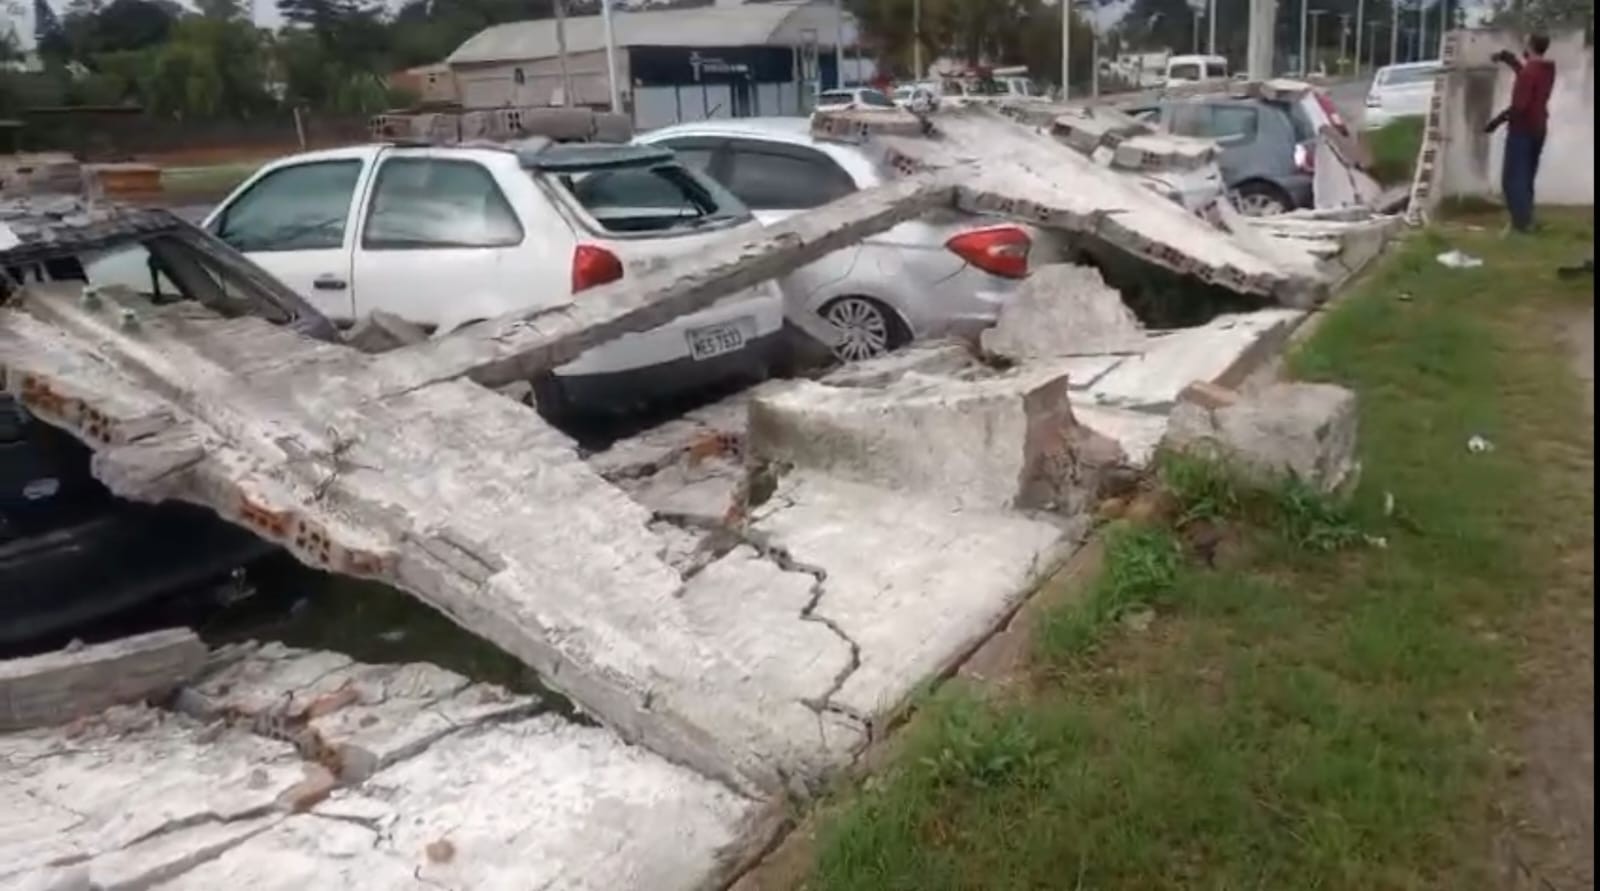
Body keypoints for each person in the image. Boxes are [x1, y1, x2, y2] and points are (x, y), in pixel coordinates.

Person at [1484, 34, 1556, 233]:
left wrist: (1496, 122)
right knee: (1526, 177)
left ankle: (1522, 225)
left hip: (1522, 129)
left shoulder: (1529, 73)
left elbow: (1520, 106)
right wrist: (1511, 60)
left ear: (1531, 46)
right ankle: (1527, 219)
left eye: (1526, 43)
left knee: (1513, 179)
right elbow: (1528, 79)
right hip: (1539, 127)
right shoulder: (1547, 70)